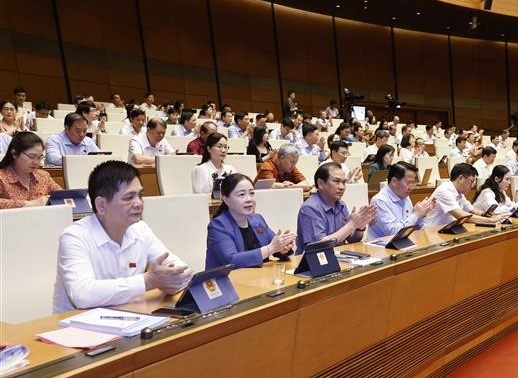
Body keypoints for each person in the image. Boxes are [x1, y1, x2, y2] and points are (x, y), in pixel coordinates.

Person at [52, 160, 193, 312]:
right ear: (101, 205)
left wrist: (170, 281)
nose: (138, 203)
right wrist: (147, 281)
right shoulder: (74, 236)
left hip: (130, 316)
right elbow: (82, 294)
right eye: (129, 197)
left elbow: (183, 273)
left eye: (140, 195)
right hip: (76, 326)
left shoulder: (140, 229)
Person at [205, 174, 296, 269]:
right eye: (241, 194)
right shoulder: (218, 226)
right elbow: (231, 260)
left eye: (252, 193)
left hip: (259, 279)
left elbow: (274, 245)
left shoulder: (257, 219)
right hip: (228, 281)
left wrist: (283, 247)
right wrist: (270, 248)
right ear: (226, 199)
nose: (249, 199)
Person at [296, 163, 377, 254]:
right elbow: (318, 246)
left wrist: (359, 227)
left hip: (338, 256)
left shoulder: (341, 205)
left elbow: (352, 239)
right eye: (336, 181)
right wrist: (352, 225)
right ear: (321, 183)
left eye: (343, 182)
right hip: (312, 262)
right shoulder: (310, 208)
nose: (342, 187)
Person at [424, 163, 506, 227]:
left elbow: (472, 210)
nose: (473, 185)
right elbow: (461, 215)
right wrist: (491, 221)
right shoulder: (445, 190)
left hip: (447, 230)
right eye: (471, 181)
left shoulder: (459, 192)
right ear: (461, 178)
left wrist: (485, 214)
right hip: (431, 232)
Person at [367, 162, 435, 239]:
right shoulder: (379, 201)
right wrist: (415, 214)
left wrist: (422, 214)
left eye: (413, 183)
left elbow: (411, 226)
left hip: (401, 243)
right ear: (394, 181)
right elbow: (393, 232)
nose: (411, 187)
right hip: (381, 247)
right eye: (409, 183)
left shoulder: (405, 196)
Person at [0, 132, 61, 209]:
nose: (36, 162)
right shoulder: (2, 177)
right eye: (31, 156)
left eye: (39, 157)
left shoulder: (44, 176)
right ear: (14, 154)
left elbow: (62, 195)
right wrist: (28, 204)